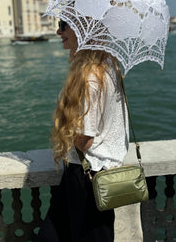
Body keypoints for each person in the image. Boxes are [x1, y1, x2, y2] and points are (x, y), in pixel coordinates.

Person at [37, 20, 129, 242]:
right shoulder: (109, 65)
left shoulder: (89, 79)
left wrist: (64, 125)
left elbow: (84, 139)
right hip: (96, 173)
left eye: (63, 25)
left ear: (83, 28)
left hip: (87, 177)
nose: (58, 31)